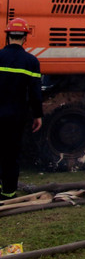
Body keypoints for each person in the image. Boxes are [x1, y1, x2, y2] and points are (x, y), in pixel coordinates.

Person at [0, 18, 43, 200]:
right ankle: (8, 193)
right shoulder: (31, 62)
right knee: (11, 154)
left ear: (8, 36)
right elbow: (35, 93)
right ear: (25, 37)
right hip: (16, 117)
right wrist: (38, 115)